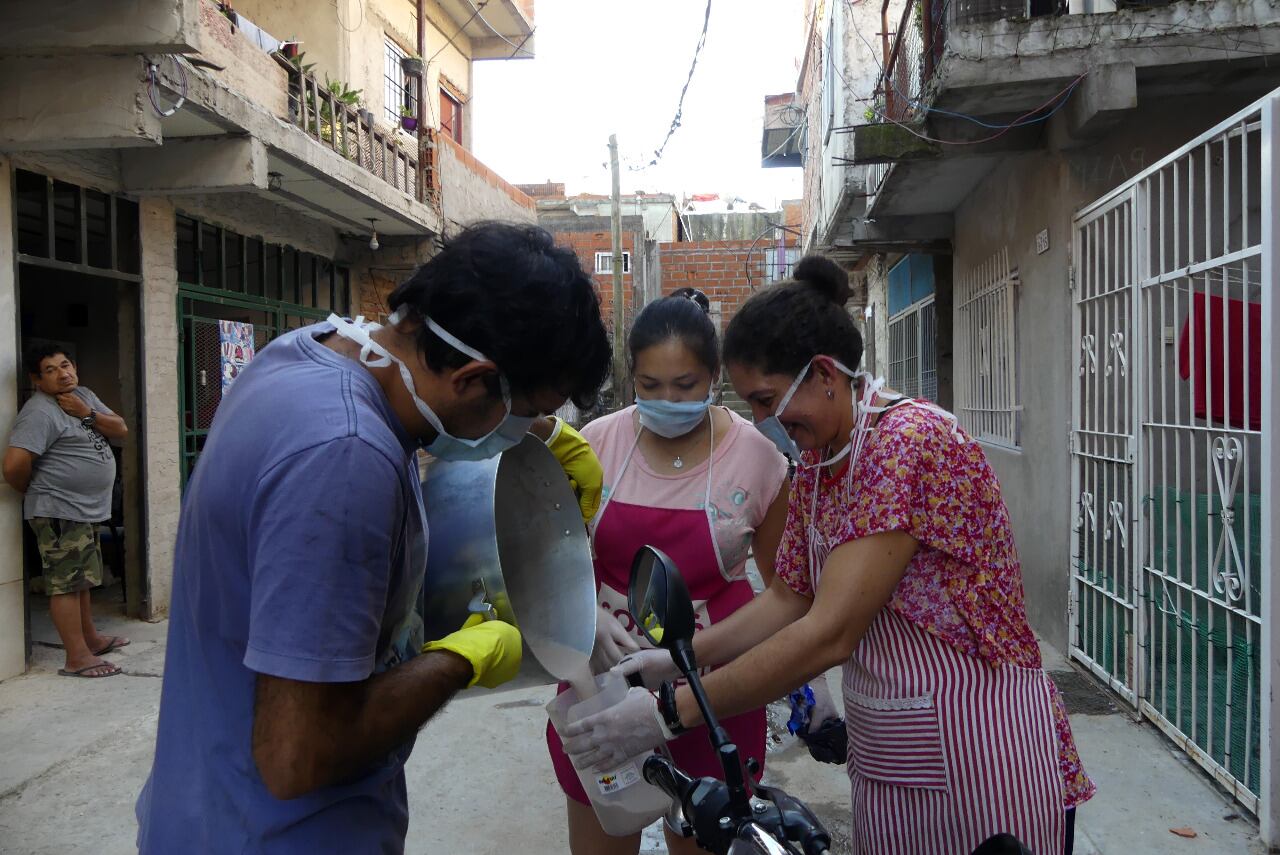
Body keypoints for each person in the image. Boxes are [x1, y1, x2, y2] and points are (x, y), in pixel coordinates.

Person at [563, 257, 1095, 855]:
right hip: (892, 744)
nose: (762, 421)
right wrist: (678, 660)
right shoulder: (821, 462)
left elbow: (829, 633)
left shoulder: (904, 446)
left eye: (766, 400)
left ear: (822, 374)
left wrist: (669, 711)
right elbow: (789, 596)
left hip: (978, 745)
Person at [135, 222, 611, 854]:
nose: (524, 432)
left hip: (203, 807)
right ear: (473, 378)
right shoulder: (347, 455)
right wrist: (461, 660)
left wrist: (542, 443)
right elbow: (297, 756)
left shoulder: (307, 353)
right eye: (526, 416)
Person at [548, 288, 790, 855]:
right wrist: (582, 613)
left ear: (714, 377)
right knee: (604, 830)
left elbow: (785, 591)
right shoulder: (596, 444)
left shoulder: (758, 458)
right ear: (631, 377)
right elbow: (553, 555)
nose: (668, 400)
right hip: (601, 676)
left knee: (705, 832)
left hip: (712, 686)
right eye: (650, 386)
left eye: (685, 386)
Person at [2, 345, 130, 678]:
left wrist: (87, 414)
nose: (63, 374)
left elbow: (120, 429)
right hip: (60, 509)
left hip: (84, 509)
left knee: (81, 581)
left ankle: (91, 640)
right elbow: (14, 465)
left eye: (65, 365)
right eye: (51, 370)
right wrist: (39, 492)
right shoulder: (39, 412)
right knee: (66, 584)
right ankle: (77, 658)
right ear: (37, 379)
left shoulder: (82, 396)